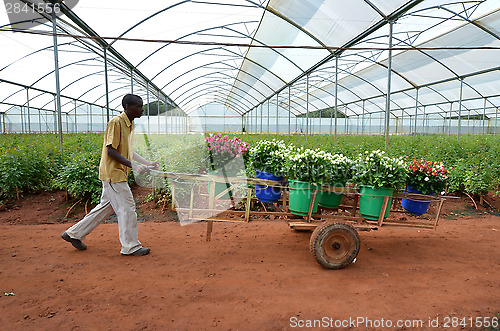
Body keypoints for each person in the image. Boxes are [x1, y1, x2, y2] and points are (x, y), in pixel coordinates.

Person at [61, 94, 158, 256]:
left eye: (142, 106)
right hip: (114, 174)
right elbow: (111, 150)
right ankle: (130, 247)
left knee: (105, 208)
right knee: (127, 208)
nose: (142, 109)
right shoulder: (116, 123)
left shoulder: (130, 125)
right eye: (138, 106)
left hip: (117, 173)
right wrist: (134, 166)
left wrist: (146, 163)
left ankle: (73, 234)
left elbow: (128, 150)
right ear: (127, 107)